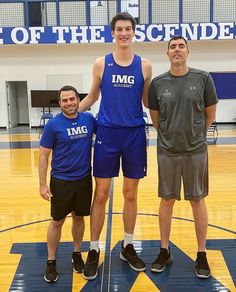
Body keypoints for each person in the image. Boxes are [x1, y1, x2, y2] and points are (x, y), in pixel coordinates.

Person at [79, 12, 152, 280]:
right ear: (113, 33)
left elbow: (147, 102)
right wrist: (72, 113)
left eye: (128, 29)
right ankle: (94, 248)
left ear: (134, 32)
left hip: (133, 135)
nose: (123, 33)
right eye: (119, 29)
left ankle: (128, 245)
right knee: (101, 194)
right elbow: (92, 96)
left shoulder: (145, 66)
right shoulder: (101, 64)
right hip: (107, 134)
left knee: (131, 194)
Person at [148, 35, 218, 278]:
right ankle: (164, 250)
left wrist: (195, 134)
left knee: (197, 200)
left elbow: (209, 114)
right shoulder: (158, 83)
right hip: (167, 151)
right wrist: (169, 135)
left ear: (188, 51)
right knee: (166, 200)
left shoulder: (203, 78)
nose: (177, 50)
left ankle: (201, 254)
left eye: (181, 46)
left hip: (195, 150)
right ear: (167, 54)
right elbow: (155, 118)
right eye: (172, 47)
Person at [38, 85, 96, 282]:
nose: (69, 103)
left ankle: (76, 253)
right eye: (65, 100)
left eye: (72, 99)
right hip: (61, 181)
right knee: (57, 221)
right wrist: (42, 184)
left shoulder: (89, 120)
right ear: (60, 103)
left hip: (84, 180)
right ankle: (51, 261)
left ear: (78, 100)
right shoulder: (53, 125)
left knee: (79, 218)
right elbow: (44, 155)